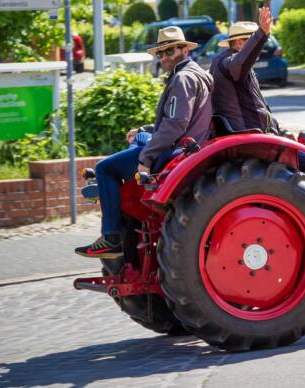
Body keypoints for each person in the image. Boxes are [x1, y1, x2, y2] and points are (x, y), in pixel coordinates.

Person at [209, 7, 305, 242]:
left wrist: (281, 133)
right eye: (252, 42)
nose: (258, 51)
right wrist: (261, 33)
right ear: (240, 42)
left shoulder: (231, 67)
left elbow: (260, 110)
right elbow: (241, 63)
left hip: (259, 134)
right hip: (255, 140)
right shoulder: (230, 64)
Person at [75, 26, 213, 258]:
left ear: (184, 49)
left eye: (169, 50)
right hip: (185, 147)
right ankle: (117, 198)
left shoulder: (183, 78)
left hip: (175, 152)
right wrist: (145, 131)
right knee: (139, 138)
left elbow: (176, 124)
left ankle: (112, 237)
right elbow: (180, 120)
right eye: (160, 53)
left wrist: (145, 159)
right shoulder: (196, 74)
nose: (164, 57)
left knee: (104, 168)